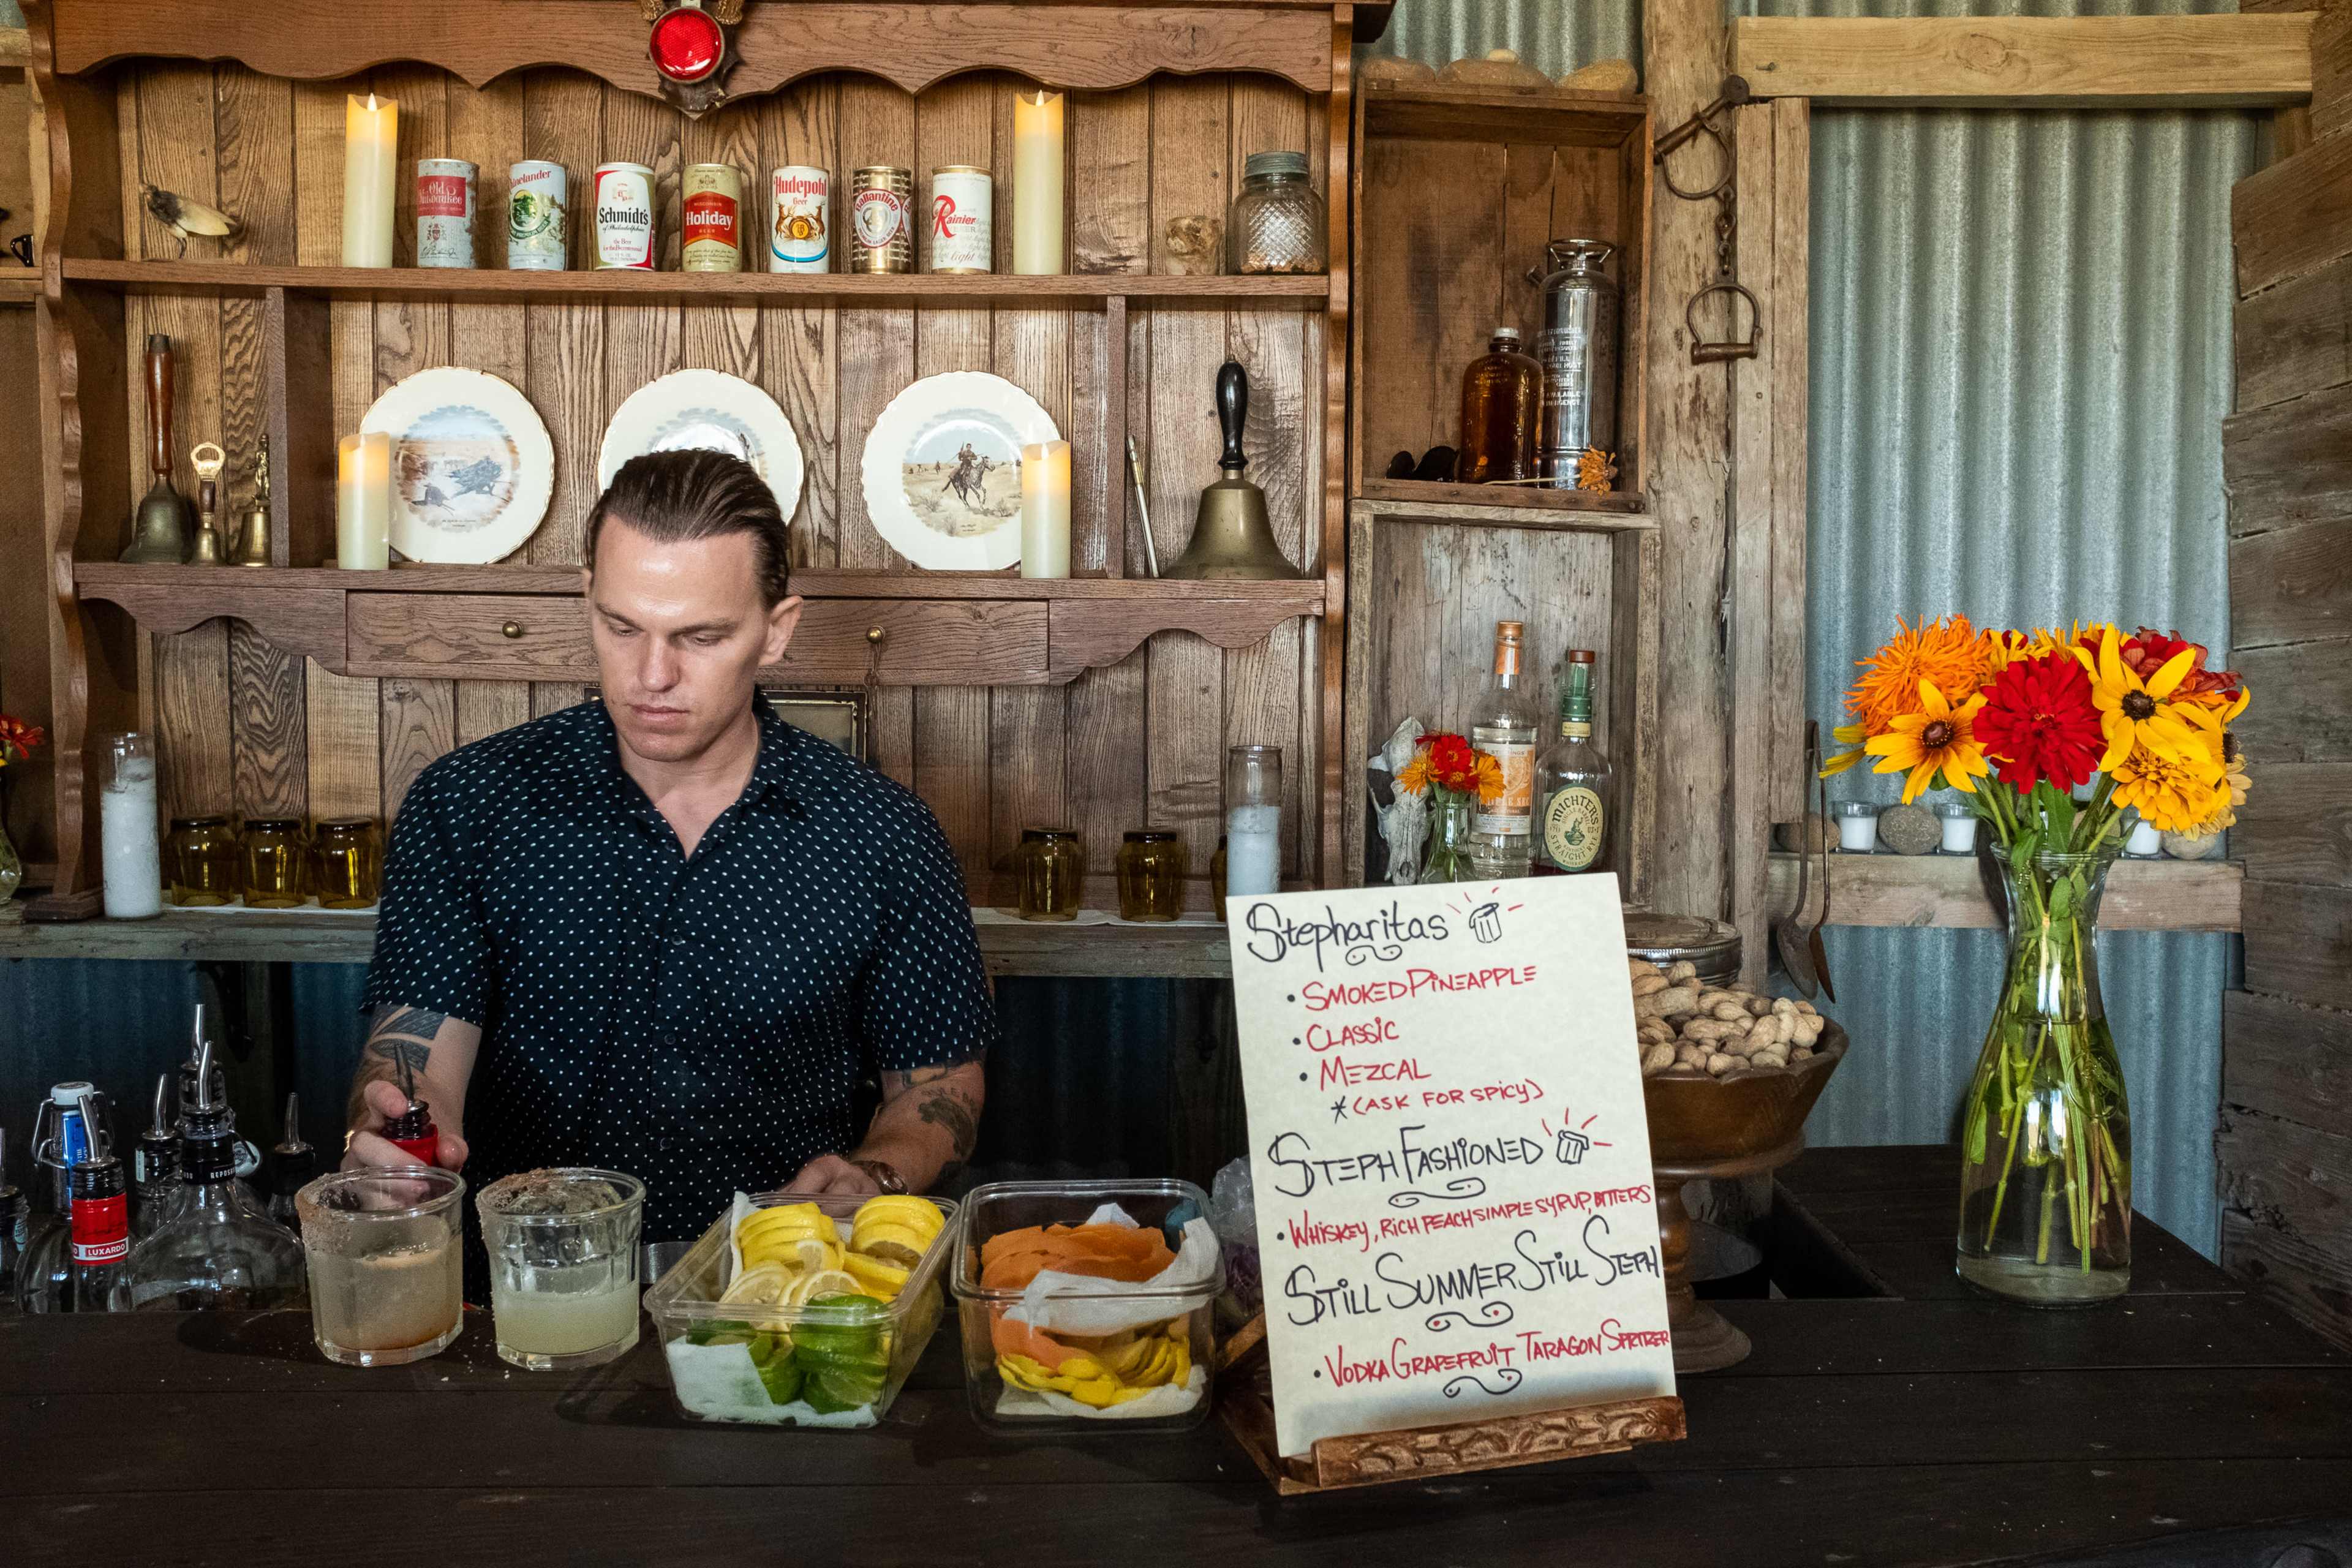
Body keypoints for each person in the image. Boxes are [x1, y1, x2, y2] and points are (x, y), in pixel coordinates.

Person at [341, 448, 996, 1255]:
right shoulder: (470, 804)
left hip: (775, 1297)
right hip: (520, 1294)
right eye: (622, 627)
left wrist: (882, 1173)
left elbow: (938, 1083)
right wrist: (399, 1139)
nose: (652, 675)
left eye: (701, 636)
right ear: (588, 600)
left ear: (776, 631)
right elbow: (418, 1054)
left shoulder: (880, 833)